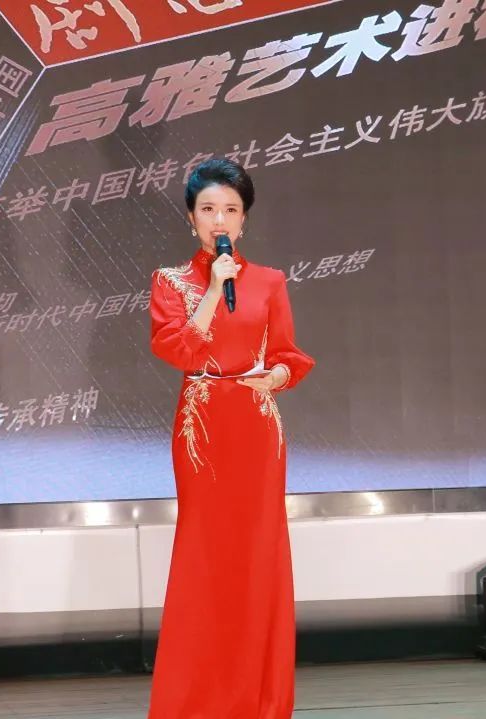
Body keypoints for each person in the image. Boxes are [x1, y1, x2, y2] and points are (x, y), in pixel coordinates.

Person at [147, 158, 315, 718]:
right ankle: (196, 703)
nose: (219, 220)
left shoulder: (270, 281)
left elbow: (289, 353)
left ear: (244, 220)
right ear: (191, 218)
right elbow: (178, 348)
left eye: (230, 210)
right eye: (208, 209)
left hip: (256, 424)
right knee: (205, 557)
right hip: (202, 425)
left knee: (258, 558)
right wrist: (215, 288)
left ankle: (258, 701)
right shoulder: (170, 282)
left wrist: (278, 376)